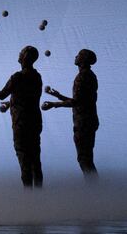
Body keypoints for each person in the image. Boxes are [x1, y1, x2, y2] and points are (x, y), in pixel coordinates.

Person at [0, 45, 43, 188]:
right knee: (35, 159)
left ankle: (29, 196)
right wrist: (11, 103)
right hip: (35, 122)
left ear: (25, 57)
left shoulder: (17, 77)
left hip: (21, 124)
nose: (19, 54)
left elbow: (1, 95)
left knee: (24, 159)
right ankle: (40, 195)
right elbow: (28, 98)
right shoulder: (37, 76)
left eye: (21, 52)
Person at [42, 48, 99, 178]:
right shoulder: (90, 75)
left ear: (83, 59)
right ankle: (95, 187)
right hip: (89, 121)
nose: (75, 56)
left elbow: (76, 102)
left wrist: (54, 104)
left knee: (84, 159)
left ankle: (94, 187)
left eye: (79, 55)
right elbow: (81, 101)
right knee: (86, 158)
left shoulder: (82, 77)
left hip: (83, 123)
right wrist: (58, 95)